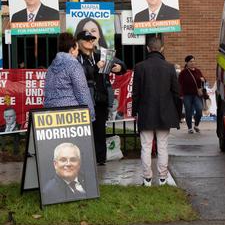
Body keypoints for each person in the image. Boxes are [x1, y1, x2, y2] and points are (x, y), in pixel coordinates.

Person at [133, 36, 181, 186]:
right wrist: (178, 114)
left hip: (146, 112)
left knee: (146, 146)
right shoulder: (170, 67)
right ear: (162, 49)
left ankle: (147, 178)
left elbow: (136, 93)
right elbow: (176, 93)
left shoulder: (140, 67)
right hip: (165, 112)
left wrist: (135, 111)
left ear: (148, 49)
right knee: (163, 146)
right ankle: (162, 177)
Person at [76, 30, 126, 165]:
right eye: (87, 40)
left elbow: (121, 65)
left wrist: (118, 67)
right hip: (85, 99)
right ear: (79, 42)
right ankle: (84, 158)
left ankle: (100, 159)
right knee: (84, 131)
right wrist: (94, 67)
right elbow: (79, 76)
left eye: (92, 39)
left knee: (100, 130)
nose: (90, 42)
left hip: (101, 98)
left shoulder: (100, 55)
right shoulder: (76, 58)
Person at [43, 33, 95, 121]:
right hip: (71, 115)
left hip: (51, 113)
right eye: (77, 49)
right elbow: (82, 92)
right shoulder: (74, 65)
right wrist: (90, 114)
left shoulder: (51, 67)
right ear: (72, 49)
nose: (78, 52)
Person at [178, 55, 206, 134]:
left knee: (199, 109)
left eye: (193, 61)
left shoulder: (198, 71)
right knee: (188, 111)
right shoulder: (183, 73)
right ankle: (190, 128)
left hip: (197, 95)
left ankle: (196, 125)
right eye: (190, 61)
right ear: (186, 63)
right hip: (187, 95)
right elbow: (179, 84)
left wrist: (203, 79)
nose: (192, 63)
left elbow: (204, 80)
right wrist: (181, 94)